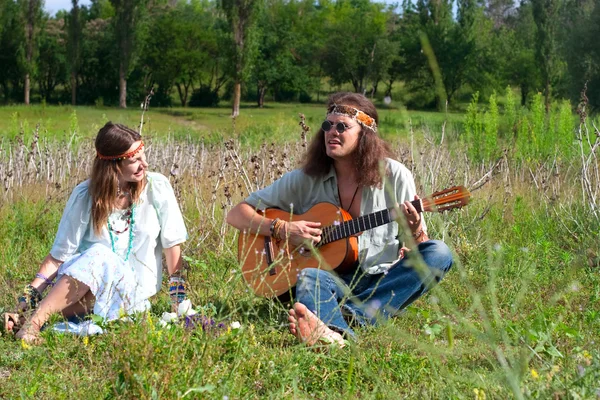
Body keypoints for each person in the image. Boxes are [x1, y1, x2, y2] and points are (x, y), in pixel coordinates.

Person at [226, 92, 453, 347]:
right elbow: (236, 214)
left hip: (379, 277)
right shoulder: (305, 179)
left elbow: (417, 245)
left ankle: (339, 326)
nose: (332, 131)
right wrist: (283, 228)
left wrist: (415, 231)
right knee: (309, 276)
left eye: (342, 126)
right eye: (327, 125)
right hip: (331, 279)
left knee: (439, 253)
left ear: (365, 134)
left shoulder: (395, 176)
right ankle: (345, 327)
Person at [3, 122, 188, 344]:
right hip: (86, 293)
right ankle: (26, 320)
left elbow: (172, 247)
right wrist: (23, 302)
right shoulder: (85, 195)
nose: (145, 164)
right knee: (98, 257)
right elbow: (57, 258)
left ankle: (32, 323)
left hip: (131, 298)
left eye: (144, 156)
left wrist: (179, 306)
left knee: (100, 254)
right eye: (135, 161)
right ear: (113, 165)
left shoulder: (158, 188)